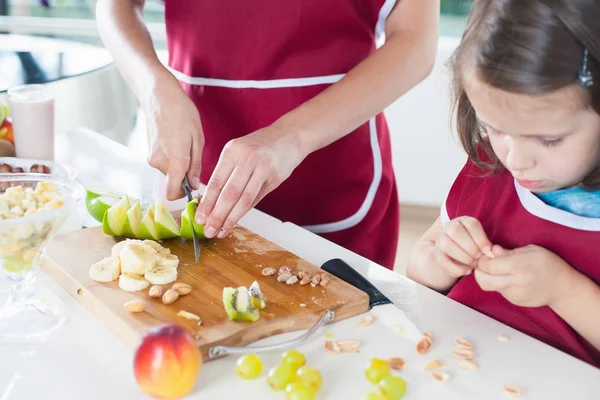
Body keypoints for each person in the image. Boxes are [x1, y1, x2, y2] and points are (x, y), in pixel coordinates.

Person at [95, 0, 440, 270]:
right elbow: (116, 4)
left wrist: (292, 135)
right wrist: (153, 88)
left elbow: (416, 40)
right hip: (199, 162)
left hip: (334, 178)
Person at [407, 0, 600, 367]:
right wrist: (440, 259)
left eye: (548, 139)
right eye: (495, 128)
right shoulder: (491, 167)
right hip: (449, 368)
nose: (515, 159)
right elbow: (418, 267)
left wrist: (564, 290)